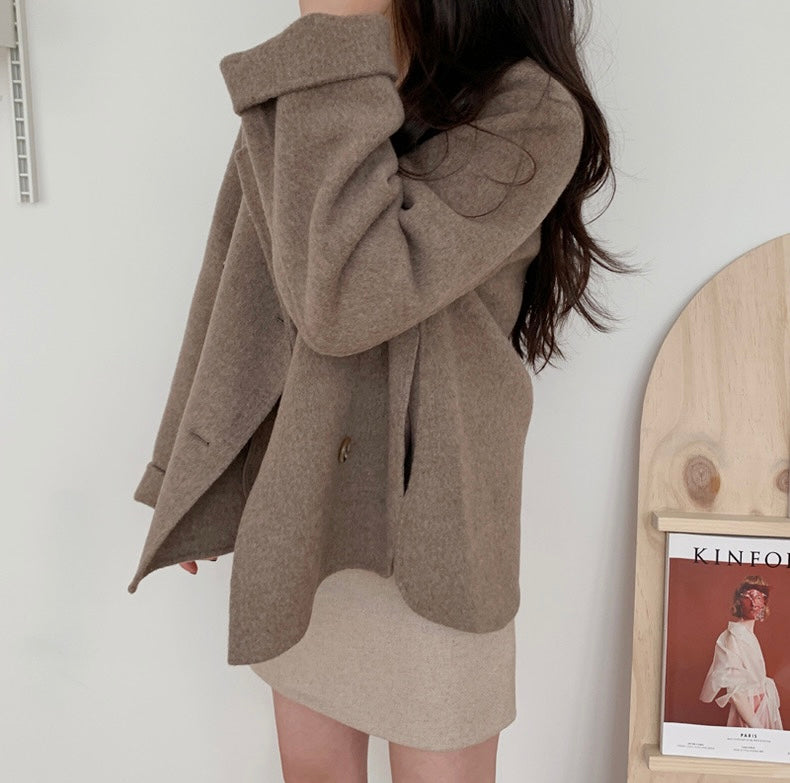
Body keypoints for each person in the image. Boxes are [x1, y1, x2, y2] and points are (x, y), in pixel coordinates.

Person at [163, 0, 632, 780]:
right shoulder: (312, 83)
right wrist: (195, 474)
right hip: (306, 513)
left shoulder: (529, 108)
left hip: (439, 538)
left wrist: (334, 39)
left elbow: (348, 299)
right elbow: (241, 286)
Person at [699, 576, 782, 730]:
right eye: (748, 597)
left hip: (764, 708)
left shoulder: (748, 634)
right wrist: (757, 726)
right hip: (750, 715)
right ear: (739, 602)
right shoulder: (733, 636)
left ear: (764, 603)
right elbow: (736, 692)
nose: (754, 603)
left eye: (758, 597)